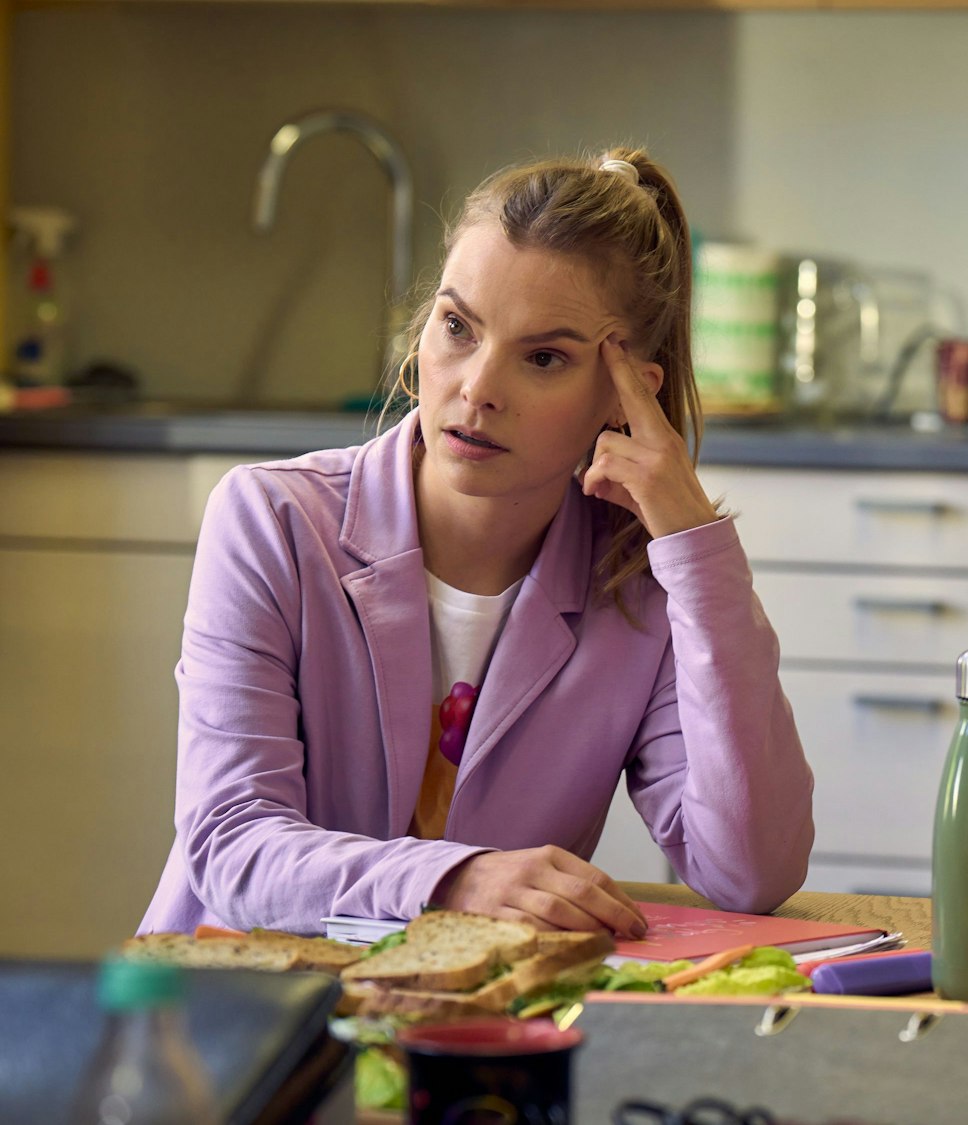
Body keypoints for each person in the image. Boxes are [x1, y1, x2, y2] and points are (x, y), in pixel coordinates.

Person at [139, 149, 813, 939]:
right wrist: (456, 878)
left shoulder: (641, 590)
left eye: (544, 357)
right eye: (458, 327)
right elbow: (231, 847)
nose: (478, 388)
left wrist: (698, 552)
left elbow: (750, 872)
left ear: (625, 394)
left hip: (479, 1005)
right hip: (244, 997)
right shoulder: (271, 521)